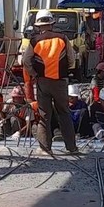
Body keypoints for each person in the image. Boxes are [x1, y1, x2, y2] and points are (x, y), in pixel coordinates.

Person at [22, 9, 79, 155]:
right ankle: (71, 147)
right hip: (60, 81)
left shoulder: (34, 41)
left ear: (38, 25)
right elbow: (72, 60)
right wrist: (66, 70)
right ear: (52, 24)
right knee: (64, 113)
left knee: (44, 115)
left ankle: (45, 148)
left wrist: (34, 74)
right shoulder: (63, 38)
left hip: (43, 82)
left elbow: (26, 61)